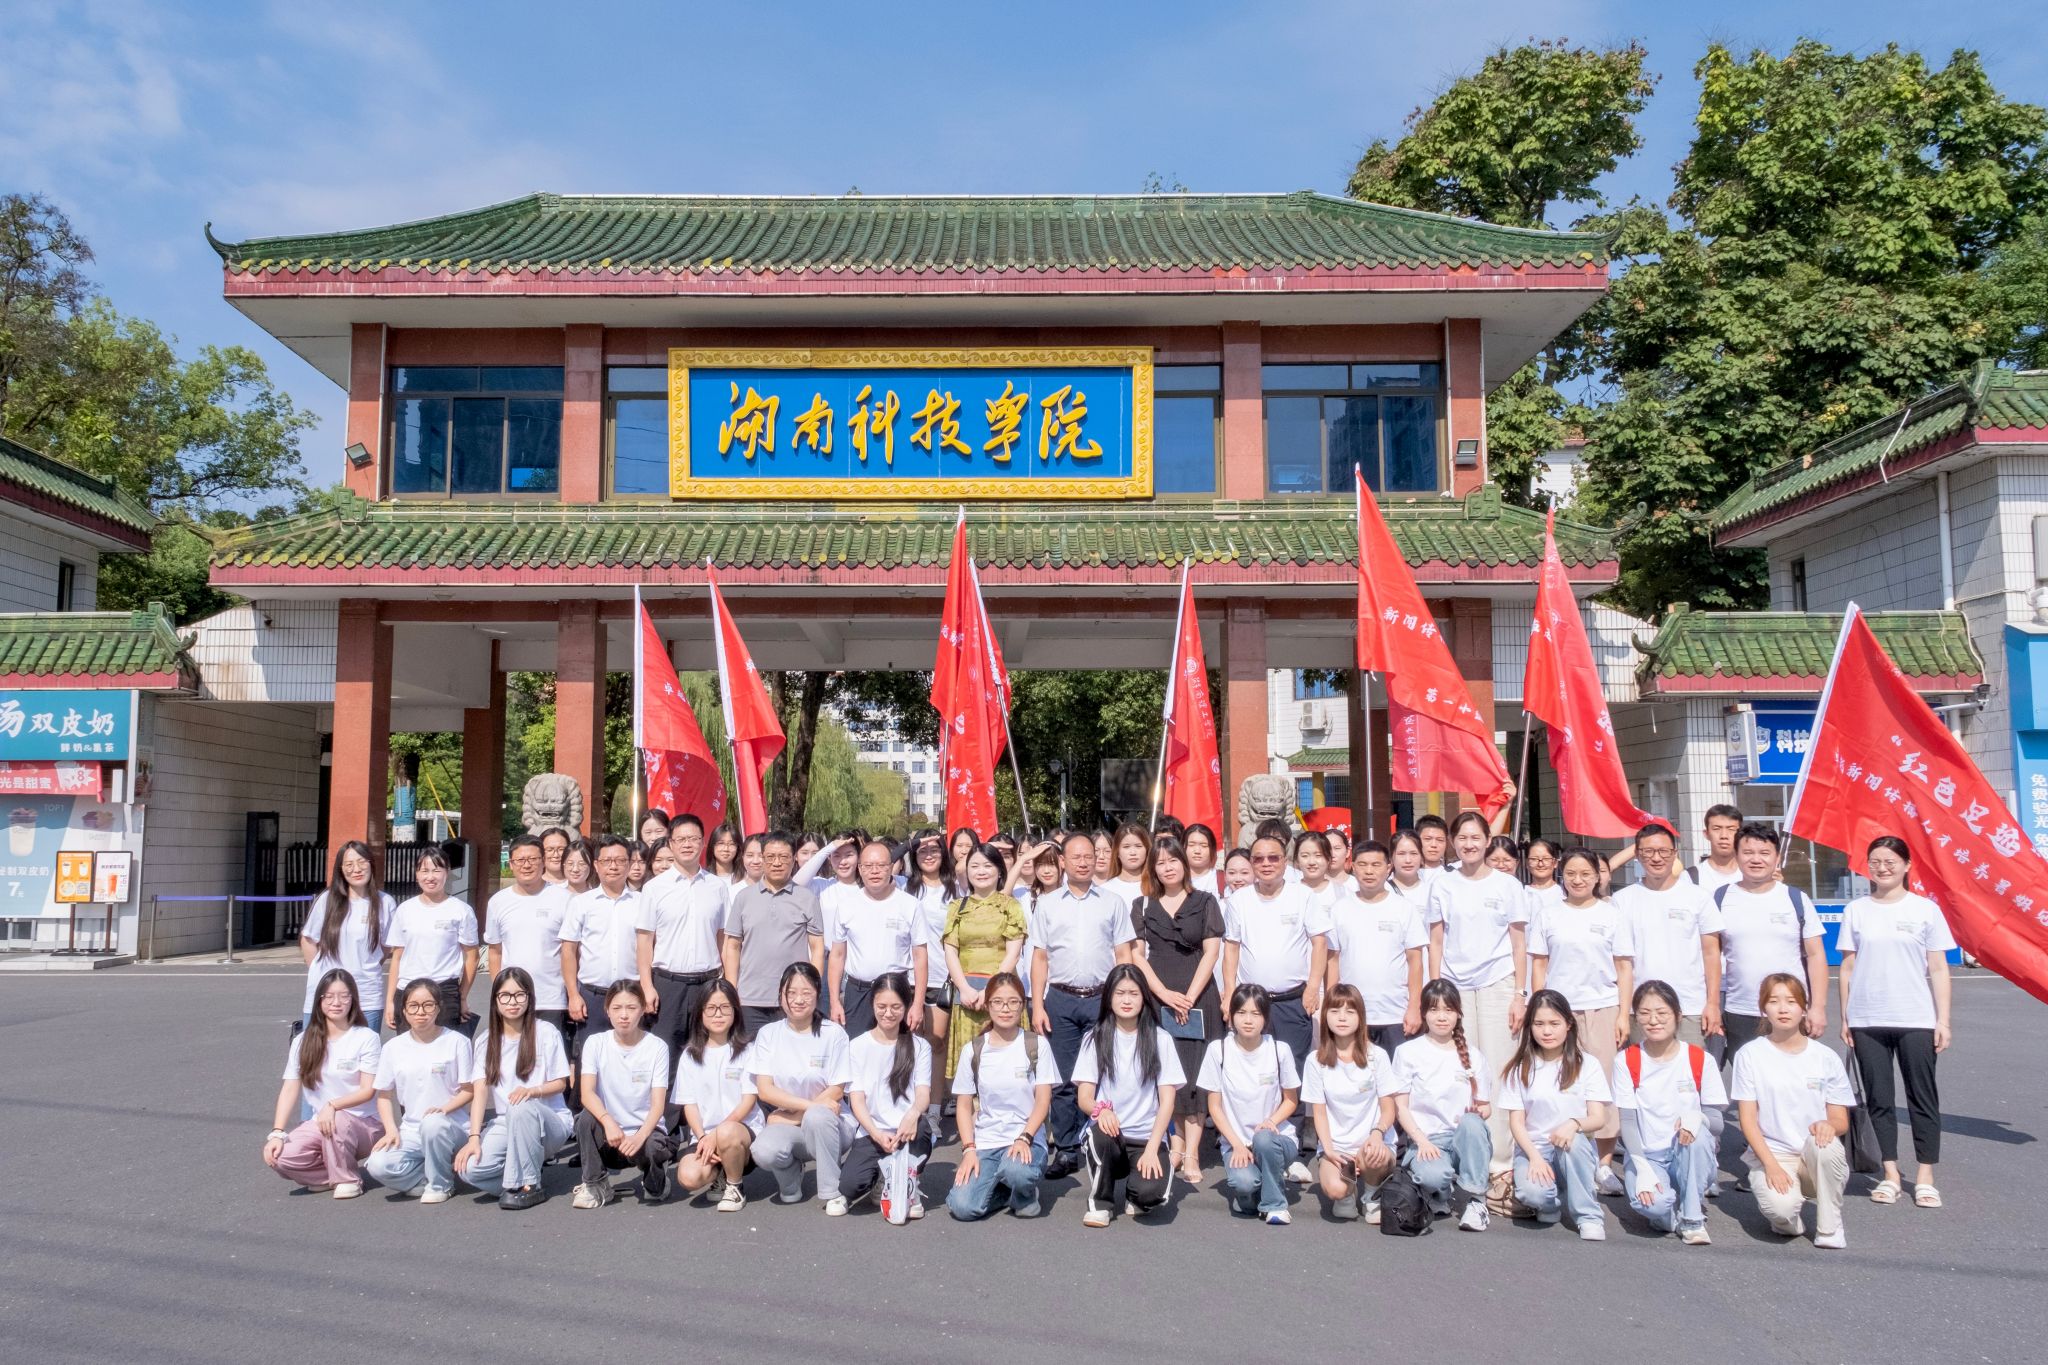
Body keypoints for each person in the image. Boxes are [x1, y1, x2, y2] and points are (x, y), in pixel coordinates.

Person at [1838, 835, 1955, 1208]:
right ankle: (1889, 1173)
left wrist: (1943, 1020)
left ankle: (1925, 1176)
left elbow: (1939, 968)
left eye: (1890, 861)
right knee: (1879, 1099)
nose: (1882, 867)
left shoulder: (1925, 910)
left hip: (1915, 1018)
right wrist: (1846, 1016)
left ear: (1906, 865)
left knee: (1922, 1097)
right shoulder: (1857, 910)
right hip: (1867, 1019)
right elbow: (1847, 967)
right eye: (1875, 861)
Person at [1424, 809, 1529, 1202]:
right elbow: (1436, 940)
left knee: (1499, 1070)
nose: (1468, 844)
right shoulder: (1442, 883)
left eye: (1475, 837)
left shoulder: (1507, 885)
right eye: (1462, 838)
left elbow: (1519, 944)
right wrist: (1437, 991)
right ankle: (1465, 1156)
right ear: (1453, 842)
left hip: (1499, 983)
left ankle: (1500, 1162)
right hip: (1455, 988)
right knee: (1462, 1071)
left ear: (1488, 841)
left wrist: (1520, 994)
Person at [1030, 829, 1137, 1179]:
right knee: (1063, 1078)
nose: (1083, 862)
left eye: (1089, 856)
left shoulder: (1112, 902)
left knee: (1104, 1074)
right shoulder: (1047, 904)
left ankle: (1103, 1141)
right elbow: (1040, 958)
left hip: (1102, 999)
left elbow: (1124, 955)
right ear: (1062, 861)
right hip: (1060, 999)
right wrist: (1037, 1005)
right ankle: (1066, 1149)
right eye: (1075, 856)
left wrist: (1126, 998)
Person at [1528, 846, 1634, 1193]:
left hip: (1601, 1008)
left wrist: (1623, 1013)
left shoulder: (1612, 915)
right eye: (1571, 873)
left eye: (1585, 874)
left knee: (1602, 1086)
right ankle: (1561, 1155)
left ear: (1597, 877)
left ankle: (1603, 1163)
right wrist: (1539, 1009)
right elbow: (1539, 964)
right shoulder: (1548, 915)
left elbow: (1624, 967)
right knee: (1559, 1083)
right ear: (1562, 875)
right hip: (1559, 1011)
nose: (1578, 880)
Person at [1130, 835, 1224, 1187]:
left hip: (1198, 996)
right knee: (1169, 1073)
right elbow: (1138, 955)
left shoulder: (1206, 901)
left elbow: (1212, 952)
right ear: (1152, 869)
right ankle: (1176, 1142)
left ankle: (1193, 1152)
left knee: (1196, 1073)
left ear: (1184, 863)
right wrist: (1165, 994)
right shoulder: (1142, 905)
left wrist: (1189, 995)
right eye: (1160, 862)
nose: (1167, 867)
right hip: (1159, 996)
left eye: (1173, 860)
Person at [1733, 973, 1854, 1248]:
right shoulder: (1750, 1055)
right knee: (1781, 1211)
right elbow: (1748, 1120)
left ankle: (1830, 1227)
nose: (1783, 1008)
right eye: (1774, 1001)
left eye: (1791, 1001)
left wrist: (1829, 1126)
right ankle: (1787, 1220)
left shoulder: (1825, 1057)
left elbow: (1840, 1119)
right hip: (1774, 1154)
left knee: (1826, 1145)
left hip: (1814, 1153)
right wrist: (1771, 1166)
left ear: (1804, 1008)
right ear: (1764, 1008)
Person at [1072, 963, 1185, 1227]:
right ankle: (1101, 1203)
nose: (1126, 1000)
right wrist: (1101, 1110)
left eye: (1133, 993)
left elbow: (1167, 1102)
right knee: (1099, 1133)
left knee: (1151, 1195)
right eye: (1120, 993)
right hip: (1112, 1134)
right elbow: (1084, 1097)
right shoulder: (1094, 1038)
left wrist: (1153, 1148)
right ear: (1108, 997)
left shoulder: (1161, 1039)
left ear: (1144, 997)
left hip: (1147, 1137)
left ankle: (1135, 1194)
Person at [1614, 979, 1724, 1245]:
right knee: (1654, 1206)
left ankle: (1692, 1219)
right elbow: (1627, 1122)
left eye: (1662, 1013)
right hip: (1648, 1156)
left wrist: (1698, 1118)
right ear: (1636, 1019)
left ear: (1678, 1015)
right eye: (1645, 1013)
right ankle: (1670, 1209)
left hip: (1687, 1154)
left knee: (1698, 1136)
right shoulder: (1627, 1060)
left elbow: (1717, 1123)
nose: (1653, 1020)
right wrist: (1642, 1168)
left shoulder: (1700, 1059)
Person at [454, 966, 573, 1209]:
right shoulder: (485, 1041)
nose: (512, 1002)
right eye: (505, 996)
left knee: (521, 1107)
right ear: (495, 999)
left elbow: (561, 1083)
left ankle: (530, 1185)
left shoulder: (546, 1032)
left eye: (520, 995)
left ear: (529, 998)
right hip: (505, 1122)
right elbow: (480, 1092)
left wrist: (532, 1091)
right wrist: (474, 1138)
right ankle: (520, 1175)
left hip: (549, 1122)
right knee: (470, 1170)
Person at [1221, 833, 1329, 1099]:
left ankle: (1295, 1122)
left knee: (1294, 1067)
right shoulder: (1239, 900)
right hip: (1252, 1003)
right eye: (1259, 859)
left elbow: (1319, 943)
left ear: (1285, 861)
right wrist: (1229, 993)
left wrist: (1313, 988)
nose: (1266, 864)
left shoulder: (1303, 896)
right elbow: (1231, 949)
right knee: (1255, 1069)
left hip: (1292, 1001)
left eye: (1273, 858)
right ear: (1252, 863)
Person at [1498, 988, 1612, 1240]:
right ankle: (1552, 1202)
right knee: (1534, 1195)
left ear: (1568, 1024)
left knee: (1575, 1143)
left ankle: (1589, 1216)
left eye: (1554, 1023)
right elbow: (1517, 1123)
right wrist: (1535, 1157)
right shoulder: (1519, 1068)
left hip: (1572, 1149)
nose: (1546, 1031)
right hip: (1534, 1149)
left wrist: (1573, 1124)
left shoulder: (1587, 1064)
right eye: (1539, 1024)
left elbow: (1598, 1118)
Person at [1713, 823, 1828, 1061]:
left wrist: (1817, 1007)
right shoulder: (1720, 898)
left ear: (1777, 858)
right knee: (1747, 1077)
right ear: (1736, 855)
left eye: (1764, 853)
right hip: (1740, 1010)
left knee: (1792, 1076)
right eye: (1748, 852)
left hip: (1791, 1009)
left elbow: (1816, 955)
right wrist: (1713, 1004)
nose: (1756, 859)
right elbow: (1710, 956)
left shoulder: (1795, 898)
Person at [263, 968, 383, 1197]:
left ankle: (348, 1180)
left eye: (344, 996)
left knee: (335, 1120)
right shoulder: (303, 1040)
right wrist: (277, 1133)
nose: (336, 1002)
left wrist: (333, 1105)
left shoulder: (366, 1037)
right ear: (319, 1000)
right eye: (329, 996)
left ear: (353, 1000)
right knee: (280, 1157)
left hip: (364, 1124)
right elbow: (290, 1088)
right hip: (323, 1122)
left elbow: (368, 1090)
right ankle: (331, 1175)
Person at [948, 972, 1056, 1220]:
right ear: (987, 1005)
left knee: (1017, 1171)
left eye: (1013, 1002)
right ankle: (1005, 1192)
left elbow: (1043, 1101)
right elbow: (964, 1106)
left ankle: (1024, 1193)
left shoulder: (1036, 1045)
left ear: (1022, 1005)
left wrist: (1025, 1138)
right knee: (962, 1207)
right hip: (987, 1142)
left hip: (1026, 1139)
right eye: (997, 1002)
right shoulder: (973, 1050)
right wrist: (968, 1149)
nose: (1005, 1009)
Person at [746, 962, 852, 1213]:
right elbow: (765, 1090)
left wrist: (791, 1116)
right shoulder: (768, 1034)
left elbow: (837, 1090)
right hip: (792, 1126)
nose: (798, 1000)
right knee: (763, 1150)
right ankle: (791, 1178)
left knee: (818, 1117)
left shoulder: (833, 1034)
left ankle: (832, 1191)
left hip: (832, 1126)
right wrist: (807, 1109)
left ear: (818, 993)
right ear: (781, 995)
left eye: (806, 993)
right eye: (791, 993)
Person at [1392, 979, 1493, 1230]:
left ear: (1458, 1013)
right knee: (1432, 1176)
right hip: (1428, 1141)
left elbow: (1485, 1106)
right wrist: (1421, 1141)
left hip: (1462, 1139)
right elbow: (1400, 1107)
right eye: (1434, 1009)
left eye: (1448, 1010)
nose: (1441, 1017)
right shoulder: (1407, 1052)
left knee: (1472, 1123)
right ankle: (1439, 1192)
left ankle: (1476, 1201)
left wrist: (1478, 1113)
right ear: (1424, 1013)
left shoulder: (1474, 1055)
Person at [1611, 822, 1723, 1047]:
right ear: (1637, 855)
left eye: (1663, 851)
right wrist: (1623, 1011)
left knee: (1690, 1068)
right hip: (1640, 1009)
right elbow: (1621, 962)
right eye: (1648, 852)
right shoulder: (1621, 900)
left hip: (1690, 1007)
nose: (1656, 858)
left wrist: (1712, 1003)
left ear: (1675, 853)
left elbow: (1711, 954)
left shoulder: (1698, 897)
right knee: (1644, 1068)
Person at [1199, 984, 1302, 1224]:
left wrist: (1270, 1121)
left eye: (1256, 1013)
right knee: (1245, 1186)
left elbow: (1291, 1101)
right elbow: (1214, 1107)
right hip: (1237, 1143)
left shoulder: (1279, 1050)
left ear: (1265, 1018)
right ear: (1231, 1015)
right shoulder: (1218, 1050)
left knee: (1263, 1139)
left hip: (1276, 1139)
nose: (1248, 1020)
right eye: (1242, 1012)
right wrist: (1236, 1144)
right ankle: (1257, 1188)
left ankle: (1275, 1205)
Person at [365, 977, 475, 1202]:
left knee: (432, 1124)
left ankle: (441, 1185)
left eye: (428, 1005)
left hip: (450, 1127)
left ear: (438, 1008)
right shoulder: (393, 1048)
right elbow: (384, 1095)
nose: (421, 1012)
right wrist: (391, 1130)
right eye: (413, 1006)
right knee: (377, 1165)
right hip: (411, 1130)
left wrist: (443, 1110)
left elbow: (469, 1090)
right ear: (404, 1010)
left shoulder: (457, 1042)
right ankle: (424, 1179)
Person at [570, 979, 673, 1207]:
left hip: (644, 1132)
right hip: (610, 1132)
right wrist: (608, 1122)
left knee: (654, 1170)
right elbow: (587, 1094)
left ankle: (656, 1177)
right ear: (607, 1010)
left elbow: (658, 1105)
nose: (624, 1015)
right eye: (617, 1008)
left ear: (643, 1009)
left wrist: (639, 1136)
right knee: (585, 1119)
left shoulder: (657, 1047)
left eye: (631, 1008)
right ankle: (596, 1183)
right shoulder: (595, 1043)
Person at [636, 813, 731, 1061]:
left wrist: (728, 984)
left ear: (703, 842)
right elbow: (644, 941)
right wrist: (647, 986)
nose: (687, 844)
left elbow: (724, 939)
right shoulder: (654, 888)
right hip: (667, 985)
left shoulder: (717, 887)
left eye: (693, 839)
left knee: (708, 1054)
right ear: (671, 843)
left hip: (708, 984)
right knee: (665, 1055)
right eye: (681, 839)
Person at [1300, 983, 1398, 1220]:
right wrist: (1329, 1150)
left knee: (1374, 1153)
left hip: (1373, 1142)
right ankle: (1347, 1192)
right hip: (1337, 1147)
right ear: (1325, 1016)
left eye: (1350, 1011)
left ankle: (1372, 1194)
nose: (1342, 1018)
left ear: (1360, 1017)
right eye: (1335, 1011)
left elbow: (1388, 1109)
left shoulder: (1377, 1056)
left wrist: (1377, 1134)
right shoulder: (1315, 1060)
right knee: (1336, 1189)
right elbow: (1319, 1113)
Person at [840, 972, 934, 1215]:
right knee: (850, 1186)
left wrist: (912, 1114)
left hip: (907, 1130)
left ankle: (908, 1182)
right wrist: (875, 1133)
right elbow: (856, 1099)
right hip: (873, 1132)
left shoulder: (920, 1046)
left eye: (896, 1007)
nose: (888, 1013)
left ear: (906, 1006)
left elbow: (923, 1093)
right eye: (881, 1006)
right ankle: (884, 1175)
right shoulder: (857, 1046)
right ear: (872, 1004)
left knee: (923, 1128)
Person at [1325, 839, 1427, 1057]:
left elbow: (1415, 962)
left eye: (1376, 865)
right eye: (1362, 865)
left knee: (1398, 1074)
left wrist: (1414, 1007)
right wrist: (1331, 1006)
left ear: (1388, 868)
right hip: (1352, 1013)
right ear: (1352, 866)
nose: (1369, 871)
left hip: (1396, 1013)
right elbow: (1333, 960)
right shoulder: (1340, 909)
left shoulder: (1404, 908)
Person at [941, 844, 1028, 1080]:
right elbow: (950, 951)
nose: (981, 871)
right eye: (975, 866)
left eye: (988, 865)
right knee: (970, 1068)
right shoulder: (956, 907)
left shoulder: (1010, 906)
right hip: (967, 995)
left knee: (1007, 1066)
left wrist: (989, 992)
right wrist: (964, 988)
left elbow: (1013, 954)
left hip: (1002, 993)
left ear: (999, 871)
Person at [724, 832, 825, 1034]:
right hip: (749, 999)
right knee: (750, 1052)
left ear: (794, 859)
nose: (777, 863)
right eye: (770, 857)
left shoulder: (807, 898)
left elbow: (817, 948)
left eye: (784, 857)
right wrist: (731, 990)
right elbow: (732, 947)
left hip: (793, 999)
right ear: (762, 858)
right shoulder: (743, 898)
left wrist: (811, 989)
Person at [671, 979, 758, 1212]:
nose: (718, 1014)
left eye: (725, 1007)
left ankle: (735, 1186)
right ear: (700, 1013)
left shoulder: (748, 1051)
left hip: (740, 1133)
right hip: (705, 1137)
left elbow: (748, 1100)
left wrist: (717, 1135)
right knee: (688, 1177)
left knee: (728, 1131)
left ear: (735, 1011)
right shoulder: (690, 1055)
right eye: (711, 1008)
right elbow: (689, 1104)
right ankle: (720, 1174)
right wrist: (702, 1136)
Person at [829, 840, 929, 1036]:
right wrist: (834, 1001)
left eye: (881, 865)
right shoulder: (847, 905)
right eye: (868, 866)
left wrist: (918, 1004)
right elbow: (837, 956)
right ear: (860, 869)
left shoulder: (910, 905)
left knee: (898, 1050)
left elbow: (920, 957)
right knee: (856, 1049)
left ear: (891, 867)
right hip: (858, 992)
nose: (874, 871)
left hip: (896, 991)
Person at [560, 835, 643, 1057]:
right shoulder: (581, 903)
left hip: (632, 995)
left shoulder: (643, 902)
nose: (613, 866)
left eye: (620, 860)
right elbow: (568, 951)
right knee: (590, 1059)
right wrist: (573, 995)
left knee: (630, 1057)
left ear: (629, 864)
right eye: (607, 861)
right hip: (592, 996)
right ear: (596, 865)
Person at [299, 841, 396, 1033]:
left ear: (371, 864)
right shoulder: (327, 900)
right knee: (317, 1049)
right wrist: (322, 973)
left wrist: (367, 964)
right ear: (341, 870)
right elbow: (308, 940)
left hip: (366, 994)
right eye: (349, 864)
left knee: (365, 1048)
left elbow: (387, 946)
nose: (356, 869)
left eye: (362, 862)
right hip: (326, 994)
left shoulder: (385, 903)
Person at [484, 835, 574, 1037]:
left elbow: (571, 951)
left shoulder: (564, 899)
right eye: (520, 860)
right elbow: (495, 951)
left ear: (543, 861)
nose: (526, 865)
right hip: (512, 999)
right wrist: (501, 990)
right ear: (511, 864)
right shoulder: (498, 902)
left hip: (552, 998)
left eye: (533, 859)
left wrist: (572, 993)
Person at [385, 848, 478, 1034]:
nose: (430, 877)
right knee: (408, 1048)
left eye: (436, 870)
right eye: (424, 871)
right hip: (407, 991)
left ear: (447, 872)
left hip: (444, 993)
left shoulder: (461, 910)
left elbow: (472, 957)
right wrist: (390, 1001)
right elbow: (397, 957)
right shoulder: (405, 910)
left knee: (444, 1048)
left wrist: (462, 996)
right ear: (416, 874)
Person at [1691, 804, 1744, 891]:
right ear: (1706, 834)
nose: (1724, 836)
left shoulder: (1753, 875)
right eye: (1717, 829)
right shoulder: (1690, 878)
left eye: (1731, 829)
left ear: (1740, 834)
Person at [1100, 822, 1151, 909]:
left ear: (1147, 850)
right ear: (1117, 852)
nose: (1133, 852)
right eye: (1126, 847)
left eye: (1138, 846)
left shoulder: (1157, 887)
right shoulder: (1104, 890)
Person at [1386, 829, 1429, 907]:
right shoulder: (1382, 890)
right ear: (1391, 858)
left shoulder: (1431, 890)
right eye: (1401, 854)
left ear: (1422, 857)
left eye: (1413, 853)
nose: (1408, 860)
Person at [1184, 822, 1224, 898]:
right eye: (1191, 845)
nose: (1197, 851)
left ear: (1213, 849)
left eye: (1204, 846)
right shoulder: (1174, 880)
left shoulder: (1223, 880)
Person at [1523, 837, 1562, 908]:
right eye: (1534, 859)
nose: (1540, 864)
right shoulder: (1521, 893)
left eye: (1546, 859)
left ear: (1555, 863)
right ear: (1527, 863)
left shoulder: (1565, 893)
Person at [1415, 814, 1450, 883]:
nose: (1434, 845)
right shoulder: (1404, 875)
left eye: (1440, 840)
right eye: (1428, 839)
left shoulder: (1453, 875)